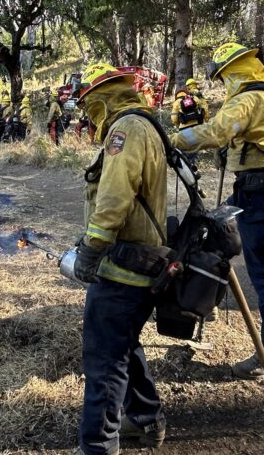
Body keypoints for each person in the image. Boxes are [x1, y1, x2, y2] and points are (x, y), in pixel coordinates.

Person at [171, 42, 264, 379]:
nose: (224, 85)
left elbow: (216, 132)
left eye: (225, 78)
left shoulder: (249, 98)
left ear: (234, 73)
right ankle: (200, 304)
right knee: (218, 241)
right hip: (255, 187)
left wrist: (173, 140)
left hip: (259, 191)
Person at [72, 62, 168, 454]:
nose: (87, 113)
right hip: (141, 262)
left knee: (104, 361)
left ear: (101, 97)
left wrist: (91, 250)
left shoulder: (125, 129)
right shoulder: (145, 124)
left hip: (123, 269)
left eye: (88, 104)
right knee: (125, 345)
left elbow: (114, 197)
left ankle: (97, 446)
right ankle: (148, 421)